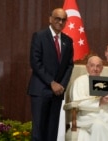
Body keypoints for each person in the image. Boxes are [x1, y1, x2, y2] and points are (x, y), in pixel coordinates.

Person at [28, 8, 74, 141]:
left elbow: (70, 65)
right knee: (38, 131)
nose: (60, 22)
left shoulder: (68, 41)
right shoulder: (39, 36)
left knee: (52, 131)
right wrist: (51, 82)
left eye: (63, 20)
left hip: (57, 93)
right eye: (57, 18)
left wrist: (62, 85)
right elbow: (35, 62)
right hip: (40, 90)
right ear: (50, 19)